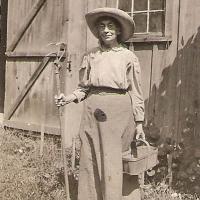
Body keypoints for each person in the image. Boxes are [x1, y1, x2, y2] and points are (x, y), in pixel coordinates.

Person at [55, 7, 145, 200]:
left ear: (119, 30)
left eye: (111, 26)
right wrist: (68, 98)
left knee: (114, 159)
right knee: (90, 157)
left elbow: (136, 92)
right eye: (102, 26)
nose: (106, 30)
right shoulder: (91, 56)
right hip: (92, 111)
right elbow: (83, 88)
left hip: (118, 114)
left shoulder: (128, 57)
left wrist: (139, 123)